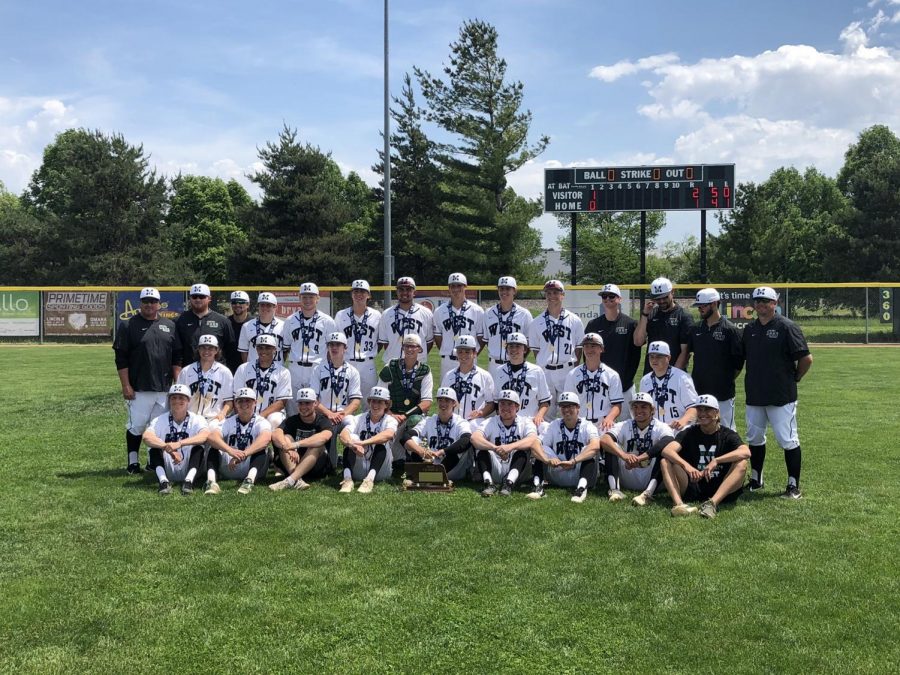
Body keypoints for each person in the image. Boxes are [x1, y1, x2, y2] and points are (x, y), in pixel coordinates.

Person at [743, 286, 813, 499]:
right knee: (754, 438)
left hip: (781, 396)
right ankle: (756, 479)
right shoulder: (749, 329)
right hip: (755, 395)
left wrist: (796, 378)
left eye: (766, 300)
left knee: (788, 439)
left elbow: (806, 359)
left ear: (775, 303)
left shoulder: (786, 326)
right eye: (757, 300)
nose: (761, 304)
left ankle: (793, 486)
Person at [113, 286, 182, 474]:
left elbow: (176, 356)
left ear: (159, 304)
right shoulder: (128, 325)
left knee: (157, 427)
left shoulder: (169, 325)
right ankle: (133, 463)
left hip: (164, 387)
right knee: (137, 426)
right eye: (146, 301)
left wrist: (178, 383)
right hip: (140, 386)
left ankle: (153, 462)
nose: (150, 305)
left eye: (153, 301)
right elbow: (121, 358)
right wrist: (126, 385)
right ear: (140, 303)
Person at [660, 394, 751, 518]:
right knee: (665, 461)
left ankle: (712, 504)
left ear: (716, 413)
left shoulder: (727, 434)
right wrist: (687, 467)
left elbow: (746, 452)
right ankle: (679, 505)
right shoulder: (689, 432)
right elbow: (667, 450)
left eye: (707, 409)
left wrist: (716, 461)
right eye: (699, 409)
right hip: (693, 484)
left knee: (742, 463)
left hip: (721, 486)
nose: (702, 413)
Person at [598, 392, 677, 506]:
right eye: (635, 407)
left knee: (665, 452)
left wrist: (640, 458)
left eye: (644, 407)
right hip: (628, 471)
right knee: (612, 447)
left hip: (650, 474)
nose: (639, 410)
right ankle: (615, 491)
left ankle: (647, 494)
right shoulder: (625, 425)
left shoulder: (661, 426)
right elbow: (604, 439)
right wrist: (623, 455)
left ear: (652, 410)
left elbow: (668, 440)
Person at [686, 287, 744, 430]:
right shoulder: (695, 329)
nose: (700, 309)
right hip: (698, 389)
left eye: (703, 306)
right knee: (697, 429)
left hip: (723, 392)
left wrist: (724, 378)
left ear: (714, 304)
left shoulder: (730, 330)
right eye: (698, 306)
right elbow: (688, 354)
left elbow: (738, 364)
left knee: (727, 429)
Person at [529, 392, 601, 503]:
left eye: (570, 406)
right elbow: (534, 445)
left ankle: (581, 489)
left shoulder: (587, 425)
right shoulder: (554, 425)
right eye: (563, 406)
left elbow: (595, 446)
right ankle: (537, 487)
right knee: (541, 448)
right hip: (557, 469)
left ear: (578, 408)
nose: (566, 410)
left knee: (588, 450)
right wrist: (547, 459)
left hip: (579, 471)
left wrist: (574, 461)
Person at [527, 279, 585, 418]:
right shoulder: (536, 322)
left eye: (556, 292)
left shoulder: (574, 320)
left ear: (562, 295)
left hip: (567, 369)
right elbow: (536, 350)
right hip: (546, 371)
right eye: (548, 292)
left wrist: (573, 369)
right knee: (546, 411)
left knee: (570, 410)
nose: (552, 295)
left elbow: (579, 347)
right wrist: (544, 363)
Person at [584, 283, 642, 418]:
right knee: (600, 424)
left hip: (625, 385)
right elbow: (587, 355)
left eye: (611, 296)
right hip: (600, 385)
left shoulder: (630, 324)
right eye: (604, 296)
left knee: (628, 427)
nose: (608, 299)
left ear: (619, 299)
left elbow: (637, 351)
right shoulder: (593, 325)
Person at [142, 384, 209, 495]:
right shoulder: (160, 419)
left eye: (181, 398)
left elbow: (205, 436)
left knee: (199, 447)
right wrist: (166, 447)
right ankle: (163, 481)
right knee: (153, 447)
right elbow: (146, 437)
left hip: (190, 464)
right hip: (168, 464)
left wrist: (179, 443)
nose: (177, 401)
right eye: (174, 398)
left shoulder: (197, 419)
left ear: (188, 400)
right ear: (169, 400)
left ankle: (189, 482)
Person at [471, 390, 540, 497]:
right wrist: (494, 448)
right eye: (502, 403)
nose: (505, 407)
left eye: (510, 404)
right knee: (482, 449)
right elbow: (474, 438)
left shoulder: (525, 422)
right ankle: (489, 484)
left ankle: (508, 484)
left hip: (518, 470)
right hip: (496, 466)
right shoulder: (491, 421)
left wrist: (509, 447)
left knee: (522, 450)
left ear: (517, 407)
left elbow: (532, 439)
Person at [205, 387, 273, 495]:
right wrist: (230, 451)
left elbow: (266, 439)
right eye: (240, 401)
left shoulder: (261, 421)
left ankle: (249, 481)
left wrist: (243, 454)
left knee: (262, 449)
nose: (244, 404)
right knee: (213, 447)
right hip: (230, 465)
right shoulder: (229, 421)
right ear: (236, 404)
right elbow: (212, 437)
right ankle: (211, 481)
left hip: (251, 465)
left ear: (255, 403)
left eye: (248, 400)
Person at [378, 334, 433, 462]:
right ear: (402, 348)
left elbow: (427, 403)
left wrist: (405, 416)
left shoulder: (425, 370)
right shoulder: (390, 366)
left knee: (415, 420)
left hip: (409, 417)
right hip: (391, 414)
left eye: (413, 346)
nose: (410, 349)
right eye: (407, 346)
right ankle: (397, 457)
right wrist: (391, 414)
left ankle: (415, 456)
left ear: (419, 349)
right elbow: (379, 396)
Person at [282, 282, 336, 411]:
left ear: (317, 298)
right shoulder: (290, 320)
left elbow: (331, 349)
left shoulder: (327, 321)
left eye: (311, 297)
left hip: (317, 366)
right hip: (295, 367)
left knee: (317, 403)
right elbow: (286, 347)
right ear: (299, 298)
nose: (307, 300)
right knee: (293, 405)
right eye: (304, 297)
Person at [269, 388, 335, 491]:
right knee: (286, 438)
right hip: (293, 464)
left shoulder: (323, 420)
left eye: (307, 403)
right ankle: (297, 479)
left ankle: (289, 481)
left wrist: (296, 445)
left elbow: (324, 437)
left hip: (316, 466)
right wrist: (286, 446)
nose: (303, 407)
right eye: (300, 403)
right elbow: (276, 434)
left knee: (317, 445)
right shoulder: (292, 420)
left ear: (316, 403)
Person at [403, 387, 474, 482]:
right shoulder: (429, 420)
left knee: (462, 447)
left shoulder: (461, 422)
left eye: (447, 400)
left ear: (454, 403)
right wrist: (420, 450)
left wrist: (443, 451)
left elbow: (466, 440)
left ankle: (427, 477)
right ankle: (429, 476)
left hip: (453, 469)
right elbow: (405, 437)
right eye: (440, 400)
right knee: (413, 440)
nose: (443, 404)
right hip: (430, 463)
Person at [313, 332, 362, 465]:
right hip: (324, 414)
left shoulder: (353, 371)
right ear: (327, 347)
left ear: (345, 348)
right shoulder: (318, 369)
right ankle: (332, 462)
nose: (334, 347)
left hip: (343, 414)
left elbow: (356, 401)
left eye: (338, 345)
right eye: (331, 345)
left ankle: (353, 460)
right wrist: (329, 414)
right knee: (330, 427)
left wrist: (341, 414)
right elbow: (314, 400)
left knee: (353, 423)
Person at [338, 386, 399, 493]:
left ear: (386, 404)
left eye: (380, 402)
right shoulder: (358, 418)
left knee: (381, 442)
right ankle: (347, 479)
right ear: (369, 402)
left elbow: (388, 435)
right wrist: (352, 444)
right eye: (373, 401)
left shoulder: (390, 420)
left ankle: (369, 481)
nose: (375, 405)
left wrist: (362, 442)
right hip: (359, 466)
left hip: (381, 470)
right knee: (351, 439)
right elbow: (343, 435)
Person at [334, 279, 381, 411]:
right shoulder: (341, 315)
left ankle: (369, 430)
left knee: (370, 402)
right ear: (351, 294)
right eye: (356, 291)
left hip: (368, 364)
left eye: (363, 291)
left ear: (369, 295)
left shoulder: (376, 315)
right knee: (344, 401)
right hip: (347, 361)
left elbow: (380, 341)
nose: (359, 294)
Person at [562, 333, 623, 431]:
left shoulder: (612, 375)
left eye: (593, 346)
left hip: (603, 423)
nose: (589, 350)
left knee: (608, 443)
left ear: (601, 349)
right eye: (586, 346)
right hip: (580, 423)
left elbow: (617, 405)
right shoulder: (572, 374)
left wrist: (609, 418)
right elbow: (568, 403)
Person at [479, 276, 533, 384]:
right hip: (494, 364)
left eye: (508, 289)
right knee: (494, 399)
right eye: (501, 289)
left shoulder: (524, 314)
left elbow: (529, 342)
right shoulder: (488, 313)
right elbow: (485, 339)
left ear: (514, 291)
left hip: (515, 364)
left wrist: (518, 359)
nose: (504, 292)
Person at [494, 332, 551, 435]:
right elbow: (496, 403)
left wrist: (539, 416)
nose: (514, 349)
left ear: (524, 349)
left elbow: (545, 402)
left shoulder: (536, 370)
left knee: (546, 429)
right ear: (506, 349)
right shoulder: (499, 371)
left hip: (530, 420)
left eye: (518, 346)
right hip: (507, 421)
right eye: (511, 346)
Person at [232, 334, 293, 430]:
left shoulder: (283, 372)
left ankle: (271, 443)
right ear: (256, 349)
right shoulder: (243, 368)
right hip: (246, 411)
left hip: (270, 413)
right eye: (260, 347)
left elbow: (281, 402)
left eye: (268, 348)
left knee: (275, 420)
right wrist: (243, 415)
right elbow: (236, 396)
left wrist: (259, 417)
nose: (263, 351)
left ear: (275, 350)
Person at [634, 277, 693, 374]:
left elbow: (685, 352)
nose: (661, 301)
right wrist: (644, 314)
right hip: (651, 374)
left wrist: (672, 376)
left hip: (674, 374)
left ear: (672, 292)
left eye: (665, 297)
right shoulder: (651, 314)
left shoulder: (684, 316)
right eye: (657, 298)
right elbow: (638, 342)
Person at [432, 272, 484, 382]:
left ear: (465, 287)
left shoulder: (477, 310)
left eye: (459, 285)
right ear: (449, 288)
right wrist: (449, 349)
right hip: (448, 361)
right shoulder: (440, 311)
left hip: (470, 360)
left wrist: (471, 356)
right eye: (453, 286)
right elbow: (438, 337)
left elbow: (480, 339)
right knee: (447, 396)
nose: (456, 289)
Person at [176, 334, 233, 433]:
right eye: (203, 348)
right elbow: (178, 397)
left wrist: (222, 414)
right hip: (190, 417)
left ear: (216, 350)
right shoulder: (186, 371)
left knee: (214, 440)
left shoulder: (224, 372)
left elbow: (229, 401)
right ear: (198, 349)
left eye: (210, 348)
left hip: (214, 418)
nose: (206, 351)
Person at [440, 335, 496, 431]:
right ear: (456, 353)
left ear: (474, 353)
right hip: (452, 421)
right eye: (460, 352)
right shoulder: (448, 375)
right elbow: (442, 401)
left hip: (474, 423)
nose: (463, 355)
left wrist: (481, 413)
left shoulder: (485, 376)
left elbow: (491, 403)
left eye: (467, 352)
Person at [639, 341, 698, 430]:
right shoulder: (645, 380)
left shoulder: (682, 378)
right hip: (655, 431)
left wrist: (682, 421)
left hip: (678, 430)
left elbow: (693, 407)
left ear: (668, 358)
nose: (654, 360)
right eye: (651, 356)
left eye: (659, 357)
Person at [377, 276, 434, 368]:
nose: (404, 292)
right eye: (401, 289)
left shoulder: (426, 313)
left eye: (408, 289)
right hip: (393, 364)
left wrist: (418, 356)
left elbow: (429, 342)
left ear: (414, 292)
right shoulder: (386, 314)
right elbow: (385, 343)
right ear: (397, 292)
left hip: (417, 364)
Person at [174, 282, 235, 368]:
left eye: (202, 297)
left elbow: (230, 350)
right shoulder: (179, 320)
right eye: (194, 297)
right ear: (190, 298)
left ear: (209, 298)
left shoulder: (223, 321)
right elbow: (177, 353)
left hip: (216, 373)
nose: (198, 299)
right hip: (189, 372)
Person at [237, 292, 285, 366]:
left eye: (268, 305)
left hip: (277, 370)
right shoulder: (246, 326)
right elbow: (244, 352)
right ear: (258, 307)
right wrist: (250, 367)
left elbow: (286, 351)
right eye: (262, 305)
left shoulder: (283, 326)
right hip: (254, 370)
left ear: (275, 307)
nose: (265, 308)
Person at [225, 290, 252, 372]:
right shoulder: (225, 323)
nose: (237, 305)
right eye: (234, 302)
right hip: (228, 368)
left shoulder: (254, 323)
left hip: (250, 367)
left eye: (241, 302)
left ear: (247, 304)